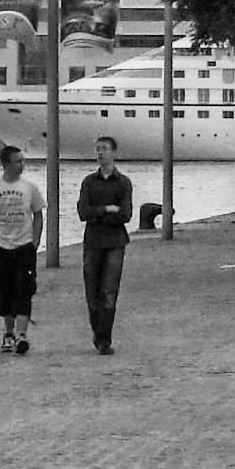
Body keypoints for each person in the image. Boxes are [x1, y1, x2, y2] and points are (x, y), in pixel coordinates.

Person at [0, 141, 47, 356]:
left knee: (24, 290)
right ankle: (8, 333)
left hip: (24, 245)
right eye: (18, 161)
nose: (22, 165)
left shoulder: (30, 188)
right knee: (4, 290)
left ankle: (22, 334)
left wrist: (35, 241)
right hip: (1, 246)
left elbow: (38, 214)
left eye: (23, 161)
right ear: (6, 164)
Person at [76, 140, 134, 353]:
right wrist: (107, 209)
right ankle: (98, 333)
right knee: (92, 292)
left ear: (114, 153)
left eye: (104, 149)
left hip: (114, 242)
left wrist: (97, 215)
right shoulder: (88, 182)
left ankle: (104, 340)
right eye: (98, 149)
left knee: (109, 291)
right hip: (93, 241)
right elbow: (83, 212)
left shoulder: (123, 183)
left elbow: (125, 214)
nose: (100, 153)